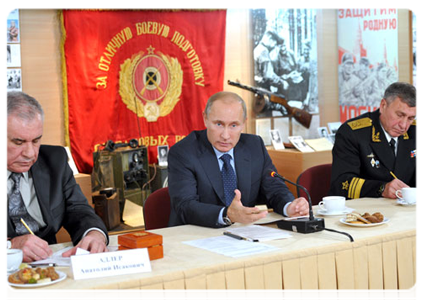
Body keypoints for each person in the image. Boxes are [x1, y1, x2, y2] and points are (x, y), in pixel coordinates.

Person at [167, 91, 309, 228]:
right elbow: (185, 206)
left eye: (234, 125)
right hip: (194, 235)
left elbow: (274, 188)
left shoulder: (254, 146)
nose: (225, 135)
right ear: (205, 119)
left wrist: (289, 206)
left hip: (243, 234)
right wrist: (227, 215)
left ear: (244, 123)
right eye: (219, 124)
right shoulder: (184, 152)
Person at [5, 91, 109, 262]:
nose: (30, 153)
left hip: (48, 265)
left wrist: (94, 234)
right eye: (18, 142)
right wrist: (10, 246)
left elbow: (78, 210)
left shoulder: (55, 160)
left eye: (36, 140)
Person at [329, 82, 420, 199]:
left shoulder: (417, 132)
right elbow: (341, 183)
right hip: (364, 211)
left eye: (410, 118)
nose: (403, 125)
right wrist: (381, 188)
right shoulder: (352, 133)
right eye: (399, 115)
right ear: (383, 105)